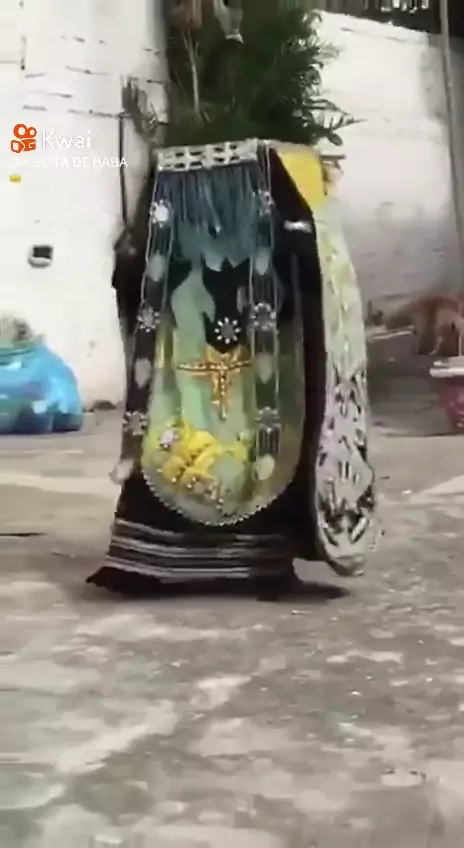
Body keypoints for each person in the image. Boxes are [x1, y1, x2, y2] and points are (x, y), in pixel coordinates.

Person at [88, 139, 376, 597]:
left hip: (253, 363)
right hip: (198, 364)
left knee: (252, 441)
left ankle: (176, 560)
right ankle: (167, 558)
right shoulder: (274, 225)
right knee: (203, 442)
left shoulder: (190, 232)